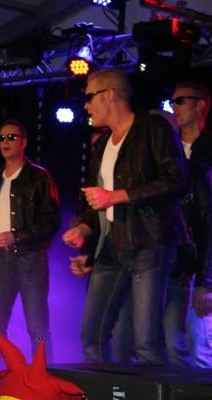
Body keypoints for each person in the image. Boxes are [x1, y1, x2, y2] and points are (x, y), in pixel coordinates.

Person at [62, 68, 188, 364]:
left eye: (89, 97)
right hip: (111, 246)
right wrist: (84, 229)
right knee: (91, 335)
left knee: (146, 343)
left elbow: (176, 179)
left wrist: (119, 195)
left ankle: (159, 388)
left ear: (109, 95)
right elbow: (95, 201)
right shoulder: (103, 144)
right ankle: (104, 388)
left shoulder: (153, 128)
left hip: (149, 242)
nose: (86, 106)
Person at [0, 119, 60, 369]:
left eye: (11, 137)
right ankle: (4, 376)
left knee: (37, 327)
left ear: (24, 142)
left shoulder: (38, 177)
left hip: (31, 259)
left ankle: (44, 380)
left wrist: (16, 235)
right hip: (2, 261)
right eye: (1, 138)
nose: (5, 142)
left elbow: (51, 221)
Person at [170, 82, 212, 367]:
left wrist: (206, 282)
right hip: (173, 265)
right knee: (174, 347)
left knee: (200, 350)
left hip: (200, 266)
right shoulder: (167, 151)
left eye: (180, 101)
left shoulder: (209, 152)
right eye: (172, 101)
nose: (174, 107)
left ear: (200, 105)